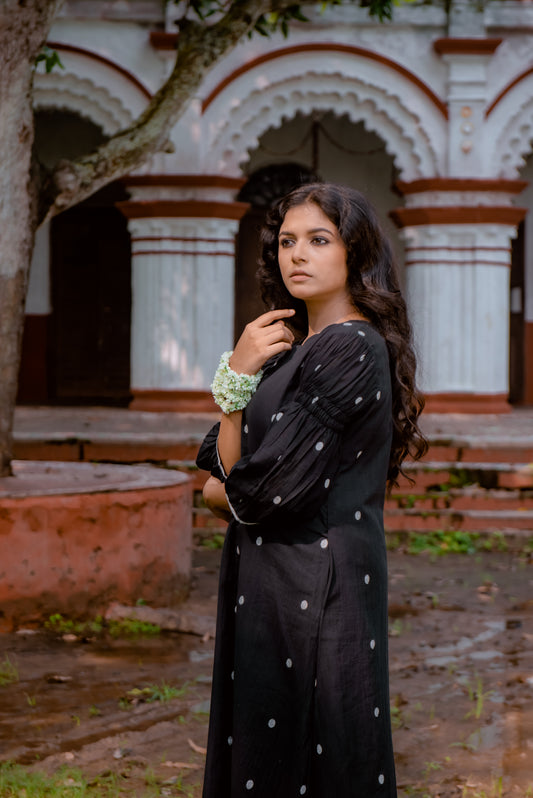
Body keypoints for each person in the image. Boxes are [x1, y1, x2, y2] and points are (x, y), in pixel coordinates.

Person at [196, 182, 427, 798]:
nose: (296, 254)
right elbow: (223, 471)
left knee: (319, 757)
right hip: (274, 585)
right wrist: (239, 379)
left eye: (318, 240)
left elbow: (243, 492)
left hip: (319, 592)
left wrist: (233, 405)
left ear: (355, 252)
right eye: (287, 241)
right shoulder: (287, 350)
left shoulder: (351, 350)